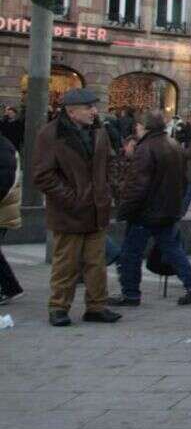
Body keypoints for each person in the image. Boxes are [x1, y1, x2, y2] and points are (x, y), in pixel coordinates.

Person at [31, 89, 120, 327]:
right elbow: (43, 175)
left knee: (96, 263)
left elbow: (110, 162)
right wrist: (71, 198)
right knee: (66, 264)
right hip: (68, 211)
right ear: (71, 111)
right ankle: (58, 307)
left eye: (94, 107)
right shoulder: (50, 134)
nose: (94, 111)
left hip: (96, 208)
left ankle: (97, 306)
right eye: (88, 107)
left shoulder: (100, 131)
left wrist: (106, 189)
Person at [112, 110, 191, 307]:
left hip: (146, 211)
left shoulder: (145, 148)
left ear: (144, 127)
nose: (136, 130)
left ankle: (130, 293)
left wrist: (125, 209)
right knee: (172, 249)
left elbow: (138, 185)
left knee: (131, 253)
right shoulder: (173, 145)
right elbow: (183, 178)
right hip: (168, 209)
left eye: (138, 126)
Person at [0, 130, 24, 303]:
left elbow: (5, 181)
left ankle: (9, 288)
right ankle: (10, 287)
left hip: (3, 208)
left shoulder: (4, 148)